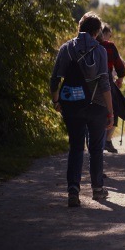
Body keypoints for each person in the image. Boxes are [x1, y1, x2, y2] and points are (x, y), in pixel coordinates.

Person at [50, 12, 113, 207]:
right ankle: (97, 189)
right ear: (97, 33)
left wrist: (56, 101)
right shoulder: (100, 50)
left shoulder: (66, 48)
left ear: (79, 27)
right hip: (96, 106)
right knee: (96, 148)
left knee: (76, 147)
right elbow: (104, 83)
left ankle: (73, 191)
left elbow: (54, 79)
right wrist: (110, 112)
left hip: (72, 105)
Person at [97, 24, 125, 154]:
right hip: (107, 81)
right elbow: (120, 66)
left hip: (88, 83)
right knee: (115, 109)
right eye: (109, 34)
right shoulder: (109, 46)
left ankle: (99, 142)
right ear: (105, 33)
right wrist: (121, 77)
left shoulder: (87, 45)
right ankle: (107, 140)